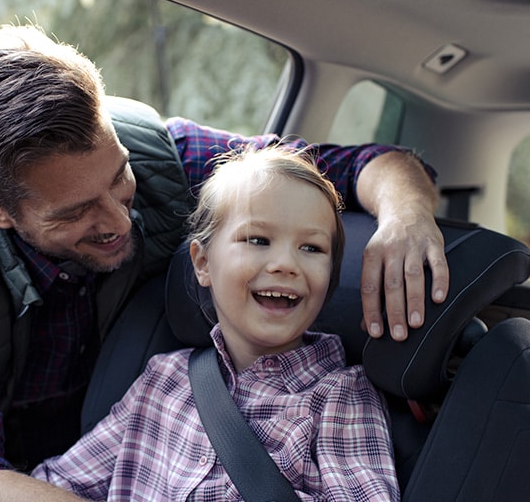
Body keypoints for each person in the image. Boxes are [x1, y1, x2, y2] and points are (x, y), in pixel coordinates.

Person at [0, 23, 446, 501]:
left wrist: (405, 216)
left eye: (118, 177)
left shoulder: (162, 155)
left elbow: (346, 165)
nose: (119, 220)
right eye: (76, 211)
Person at [32, 145, 399, 501]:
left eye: (312, 248)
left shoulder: (341, 395)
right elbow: (63, 482)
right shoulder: (162, 380)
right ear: (203, 263)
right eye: (258, 239)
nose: (286, 263)